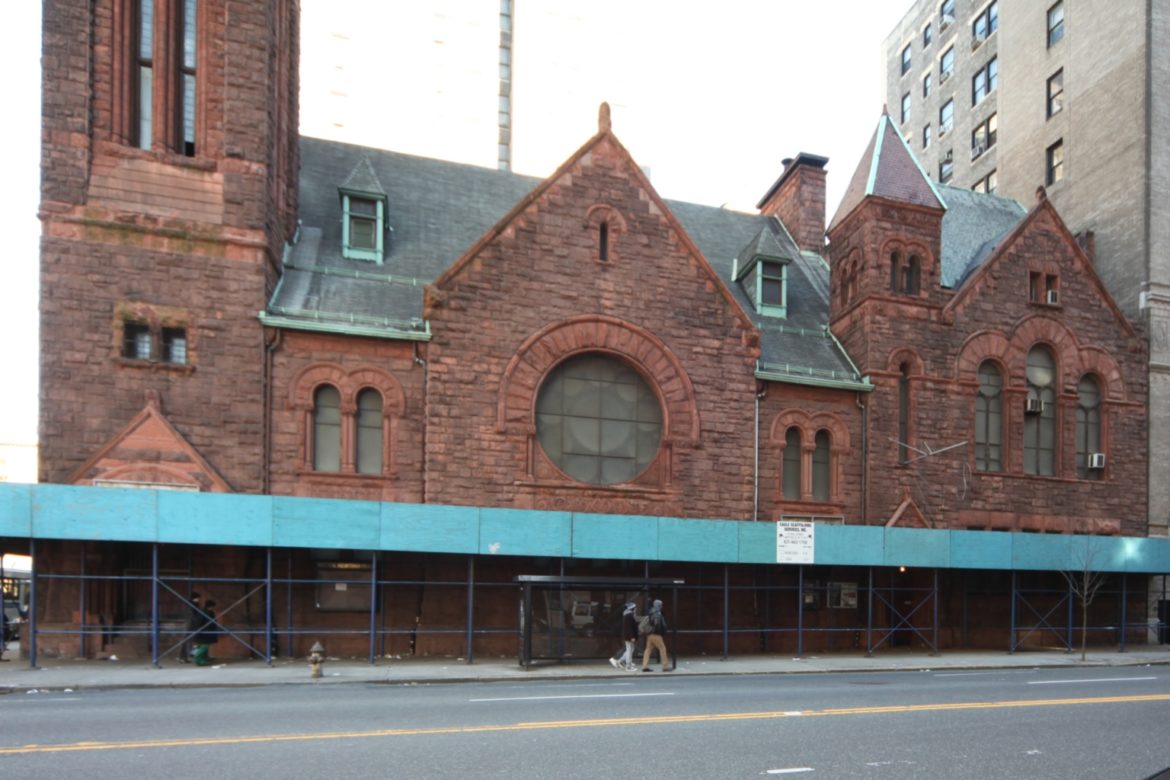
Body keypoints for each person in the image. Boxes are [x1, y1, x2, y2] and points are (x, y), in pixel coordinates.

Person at [641, 599, 671, 672]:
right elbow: (657, 624)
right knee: (662, 649)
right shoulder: (657, 613)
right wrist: (661, 631)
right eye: (661, 604)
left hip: (650, 634)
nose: (662, 606)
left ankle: (645, 666)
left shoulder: (651, 611)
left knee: (648, 649)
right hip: (656, 634)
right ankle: (665, 666)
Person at [609, 601, 639, 671]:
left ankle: (620, 661)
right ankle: (628, 666)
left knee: (631, 649)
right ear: (632, 608)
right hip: (629, 636)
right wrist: (632, 637)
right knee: (629, 650)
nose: (636, 609)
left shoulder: (628, 615)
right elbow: (629, 628)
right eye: (635, 608)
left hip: (628, 636)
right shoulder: (629, 615)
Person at [191, 598, 219, 666]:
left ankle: (201, 659)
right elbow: (200, 623)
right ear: (210, 606)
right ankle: (197, 659)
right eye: (213, 607)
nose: (213, 608)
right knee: (204, 646)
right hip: (203, 633)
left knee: (202, 646)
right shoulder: (203, 612)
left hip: (206, 632)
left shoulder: (206, 612)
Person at [179, 592, 201, 663]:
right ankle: (190, 655)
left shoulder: (187, 604)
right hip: (192, 625)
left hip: (189, 624)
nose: (199, 600)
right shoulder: (193, 605)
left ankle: (184, 657)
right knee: (195, 641)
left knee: (189, 641)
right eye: (198, 598)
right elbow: (194, 616)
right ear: (195, 598)